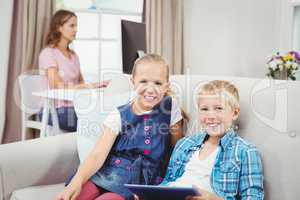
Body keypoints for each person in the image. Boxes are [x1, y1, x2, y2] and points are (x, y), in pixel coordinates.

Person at [55, 54, 185, 200]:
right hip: (107, 172)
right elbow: (97, 154)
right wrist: (77, 181)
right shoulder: (118, 114)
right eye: (143, 81)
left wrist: (169, 184)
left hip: (137, 182)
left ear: (166, 85)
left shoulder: (170, 107)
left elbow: (178, 149)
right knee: (76, 194)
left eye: (158, 83)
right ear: (133, 82)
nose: (150, 89)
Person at [159, 80, 264, 200]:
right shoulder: (184, 144)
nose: (210, 116)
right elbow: (167, 182)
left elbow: (253, 197)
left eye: (218, 108)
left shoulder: (245, 151)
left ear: (235, 113)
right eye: (204, 109)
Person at [38, 9, 109, 132]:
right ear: (59, 27)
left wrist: (95, 87)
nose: (76, 29)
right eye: (71, 25)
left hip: (74, 106)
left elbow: (81, 83)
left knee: (107, 115)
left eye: (76, 26)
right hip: (54, 110)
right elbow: (57, 85)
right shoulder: (48, 53)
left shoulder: (74, 56)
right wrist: (93, 85)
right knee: (97, 120)